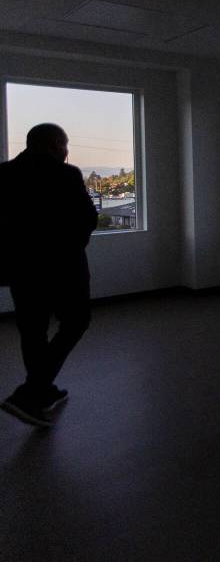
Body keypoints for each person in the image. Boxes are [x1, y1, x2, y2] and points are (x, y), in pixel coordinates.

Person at [0, 124, 98, 427]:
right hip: (62, 269)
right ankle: (30, 393)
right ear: (56, 144)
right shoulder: (66, 174)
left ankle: (42, 390)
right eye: (65, 144)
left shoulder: (3, 173)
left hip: (19, 269)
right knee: (76, 320)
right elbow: (87, 219)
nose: (67, 151)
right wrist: (70, 249)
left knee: (33, 330)